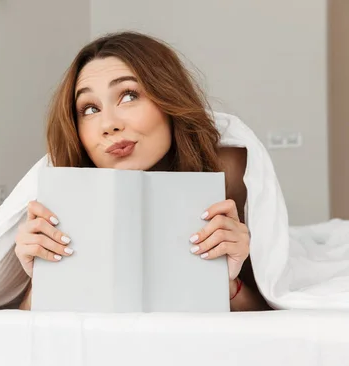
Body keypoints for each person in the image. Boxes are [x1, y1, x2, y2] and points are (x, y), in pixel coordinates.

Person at [15, 31, 270, 312]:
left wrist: (227, 282)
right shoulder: (59, 191)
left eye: (128, 95)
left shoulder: (228, 167)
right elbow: (24, 321)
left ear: (168, 98)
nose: (108, 124)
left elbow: (273, 302)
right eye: (89, 109)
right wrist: (41, 280)